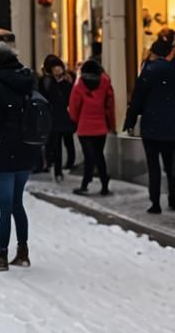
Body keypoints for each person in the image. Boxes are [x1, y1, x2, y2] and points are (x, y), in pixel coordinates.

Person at [0, 43, 39, 271]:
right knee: (17, 204)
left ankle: (2, 255)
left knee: (5, 206)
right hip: (26, 148)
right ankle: (22, 252)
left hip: (2, 150)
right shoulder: (27, 81)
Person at [124, 38, 175, 214]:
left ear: (154, 53)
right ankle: (173, 198)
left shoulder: (149, 71)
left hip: (151, 126)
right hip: (172, 127)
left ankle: (155, 202)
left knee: (154, 166)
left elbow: (137, 99)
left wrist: (130, 122)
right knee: (171, 166)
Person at [69, 58, 115, 196]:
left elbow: (74, 107)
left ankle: (85, 185)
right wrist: (110, 124)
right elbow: (109, 106)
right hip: (101, 126)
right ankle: (104, 185)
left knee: (89, 157)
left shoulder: (79, 86)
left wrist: (76, 121)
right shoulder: (105, 83)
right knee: (99, 155)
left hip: (84, 127)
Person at [40, 54, 76, 182]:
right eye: (54, 67)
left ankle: (63, 167)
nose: (57, 69)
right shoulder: (47, 82)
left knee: (64, 142)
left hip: (64, 117)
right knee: (55, 144)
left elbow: (71, 99)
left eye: (59, 67)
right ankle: (56, 168)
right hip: (52, 117)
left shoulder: (66, 83)